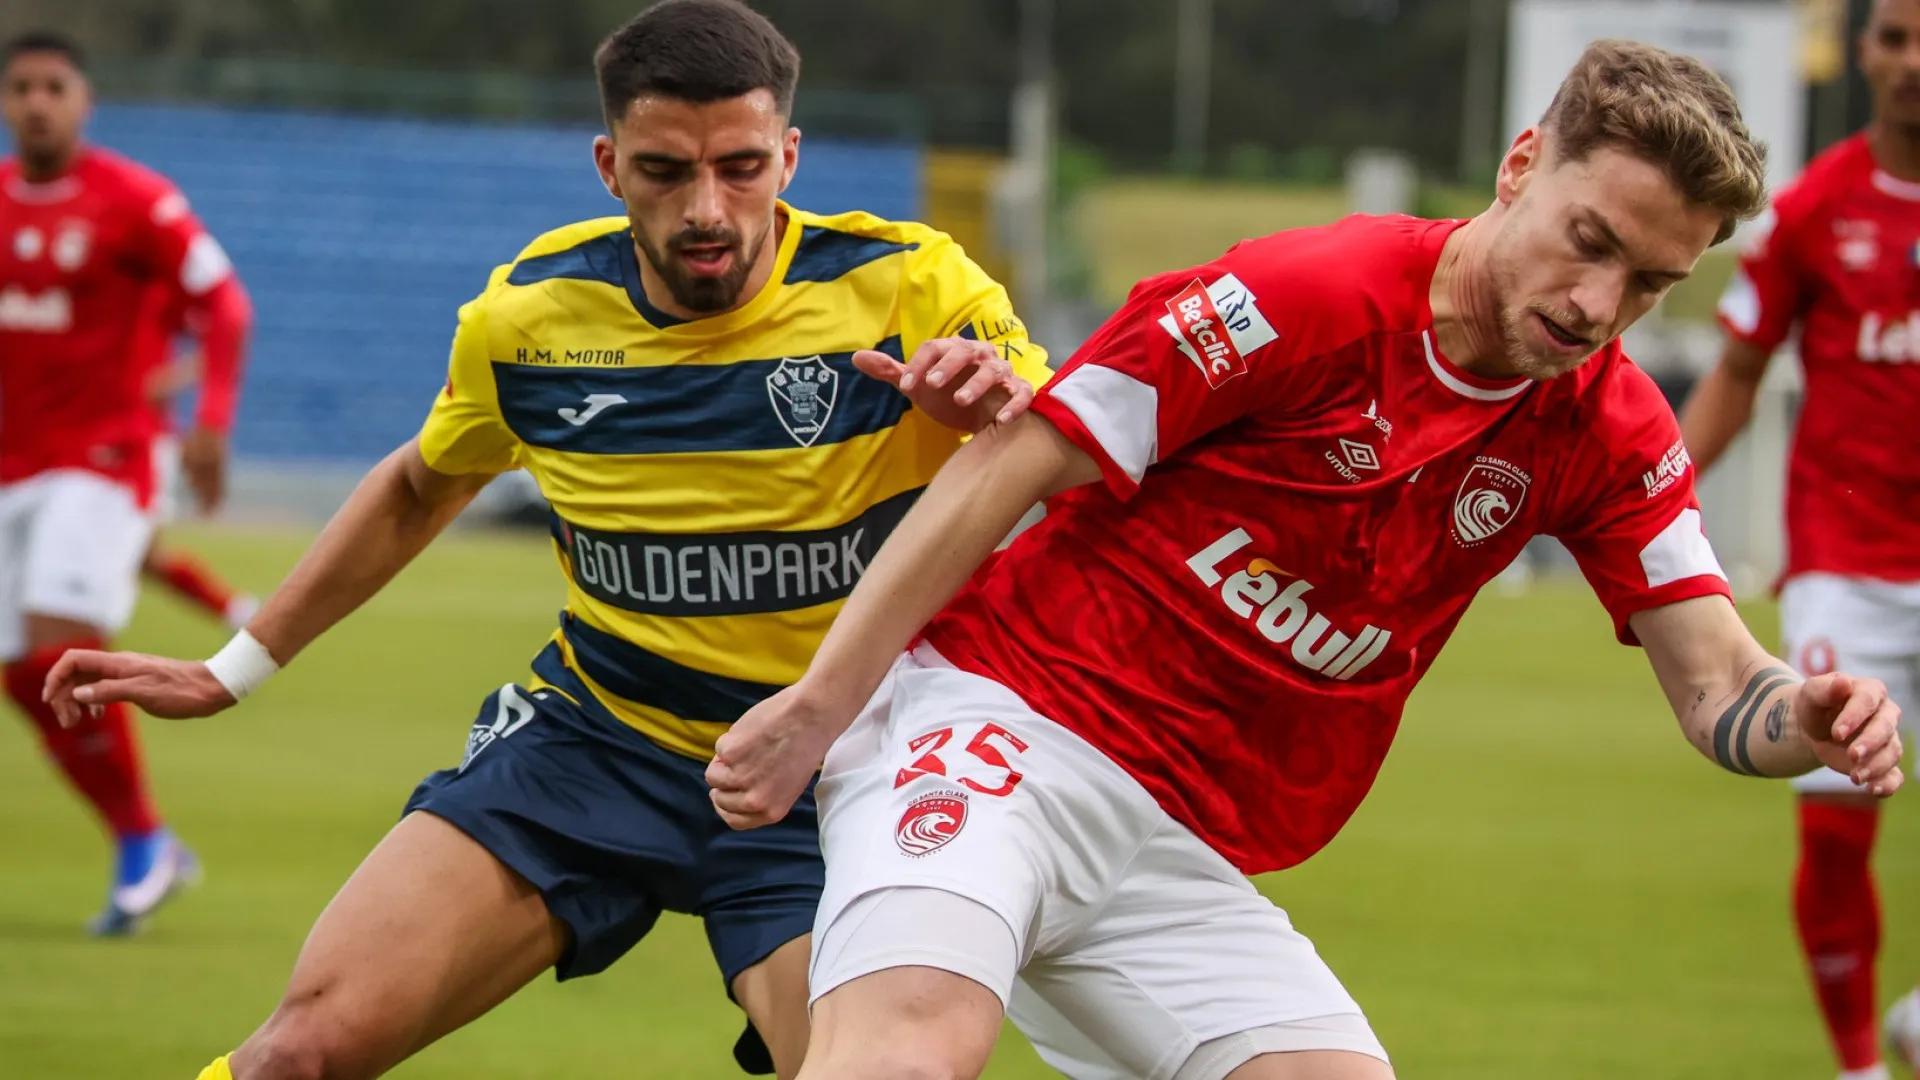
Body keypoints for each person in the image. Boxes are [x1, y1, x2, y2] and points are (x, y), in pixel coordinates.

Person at [701, 40, 1906, 1080]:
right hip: (1003, 726)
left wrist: (1807, 716)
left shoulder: (1609, 428)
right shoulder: (1306, 296)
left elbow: (1719, 685)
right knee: (906, 1052)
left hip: (1180, 841)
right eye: (1589, 242)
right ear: (1522, 165)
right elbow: (1009, 462)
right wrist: (823, 704)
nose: (1598, 305)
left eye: (1649, 284)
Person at [43, 2, 1048, 1078]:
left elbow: (1062, 449)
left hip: (836, 775)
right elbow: (419, 488)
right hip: (598, 744)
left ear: (789, 158)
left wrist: (998, 416)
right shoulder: (529, 321)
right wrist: (232, 669)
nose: (706, 209)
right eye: (664, 171)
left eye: (742, 167)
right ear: (610, 168)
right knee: (297, 1055)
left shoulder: (912, 286)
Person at [1679, 2, 1920, 1075]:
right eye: (1896, 37)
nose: (1913, 61)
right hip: (1844, 566)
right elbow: (1737, 373)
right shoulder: (1816, 208)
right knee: (1834, 830)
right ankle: (1861, 1067)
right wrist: (1652, 501)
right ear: (1863, 52)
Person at [0, 30, 251, 935]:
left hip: (104, 459)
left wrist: (209, 422)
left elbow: (223, 304)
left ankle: (144, 843)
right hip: (13, 467)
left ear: (85, 100)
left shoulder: (135, 200)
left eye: (54, 87)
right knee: (23, 675)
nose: (37, 103)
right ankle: (147, 841)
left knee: (56, 647)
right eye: (21, 87)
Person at [141, 342, 260, 630]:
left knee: (142, 554)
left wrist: (162, 384)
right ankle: (237, 611)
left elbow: (216, 347)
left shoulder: (142, 325)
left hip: (137, 449)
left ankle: (239, 612)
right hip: (87, 447)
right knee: (141, 557)